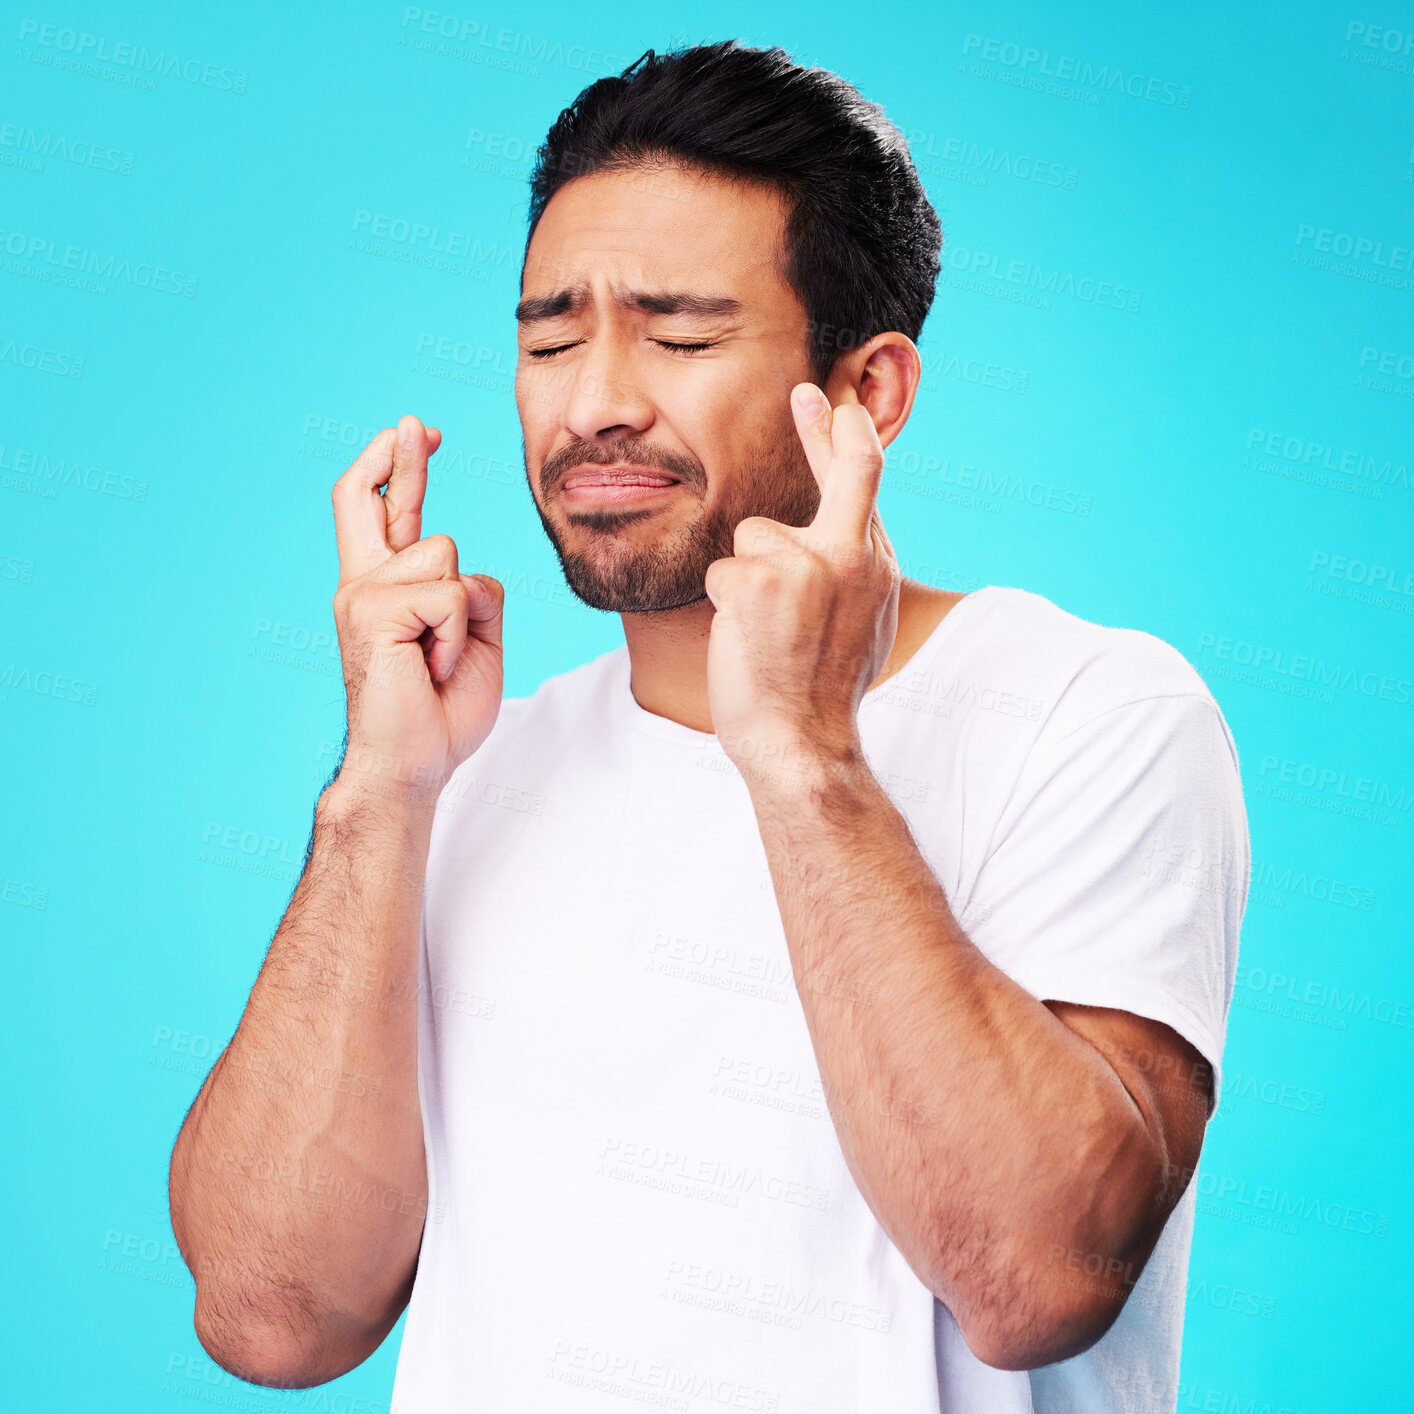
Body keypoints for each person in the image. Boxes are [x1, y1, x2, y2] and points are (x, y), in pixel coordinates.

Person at [169, 40, 1249, 1413]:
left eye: (678, 337)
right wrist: (377, 791)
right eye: (550, 338)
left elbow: (1036, 1278)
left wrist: (803, 753)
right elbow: (271, 1317)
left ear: (868, 392)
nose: (594, 398)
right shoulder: (459, 772)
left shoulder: (1089, 714)